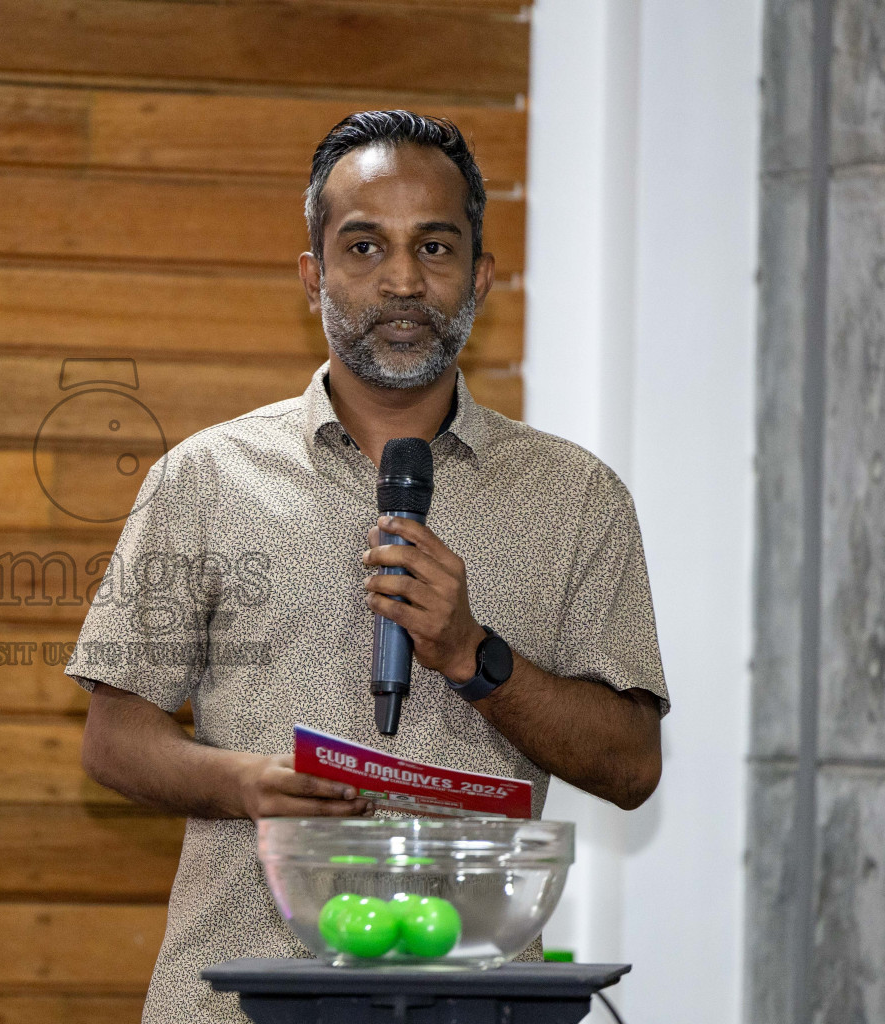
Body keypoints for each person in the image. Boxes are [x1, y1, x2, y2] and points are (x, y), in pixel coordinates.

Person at [66, 110, 668, 1024]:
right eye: (363, 246)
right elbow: (112, 737)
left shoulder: (576, 497)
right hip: (234, 994)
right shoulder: (204, 476)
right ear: (313, 276)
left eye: (434, 246)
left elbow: (632, 766)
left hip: (475, 1000)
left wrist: (475, 656)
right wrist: (245, 784)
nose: (401, 280)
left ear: (481, 275)